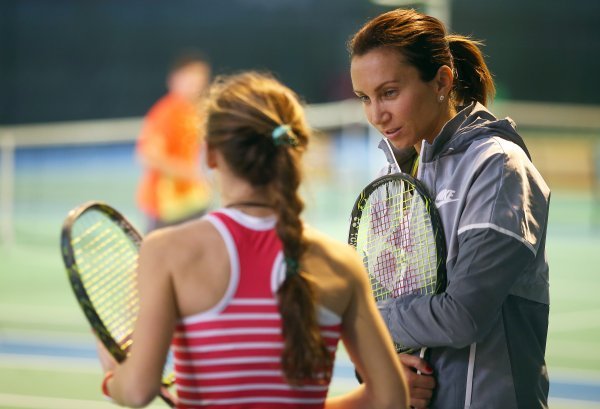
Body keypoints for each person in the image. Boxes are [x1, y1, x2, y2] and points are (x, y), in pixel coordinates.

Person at [97, 71, 409, 409]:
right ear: (294, 150)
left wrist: (113, 374)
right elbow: (390, 398)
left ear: (212, 154)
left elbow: (137, 390)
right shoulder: (341, 263)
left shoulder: (165, 251)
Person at [348, 8, 550, 409]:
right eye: (365, 98)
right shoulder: (395, 176)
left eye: (389, 92)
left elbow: (463, 316)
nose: (376, 114)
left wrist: (360, 322)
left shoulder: (497, 165)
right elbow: (395, 304)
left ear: (441, 80)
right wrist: (386, 367)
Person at [136, 51, 212, 231]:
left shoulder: (196, 112)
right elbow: (148, 156)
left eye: (200, 76)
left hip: (194, 202)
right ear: (174, 79)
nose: (196, 82)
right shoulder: (165, 113)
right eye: (189, 76)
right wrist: (193, 173)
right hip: (166, 209)